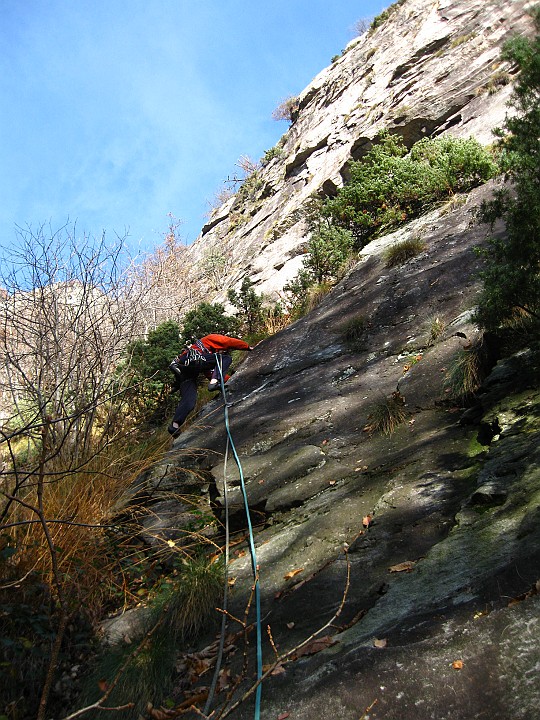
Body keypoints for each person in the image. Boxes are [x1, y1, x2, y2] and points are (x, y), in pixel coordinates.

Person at [167, 333, 255, 437]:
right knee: (225, 359)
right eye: (224, 350)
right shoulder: (208, 340)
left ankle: (175, 425)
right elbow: (227, 341)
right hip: (191, 359)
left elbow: (212, 374)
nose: (224, 351)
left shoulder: (206, 359)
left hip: (183, 368)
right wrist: (248, 347)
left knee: (189, 400)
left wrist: (232, 380)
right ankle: (213, 383)